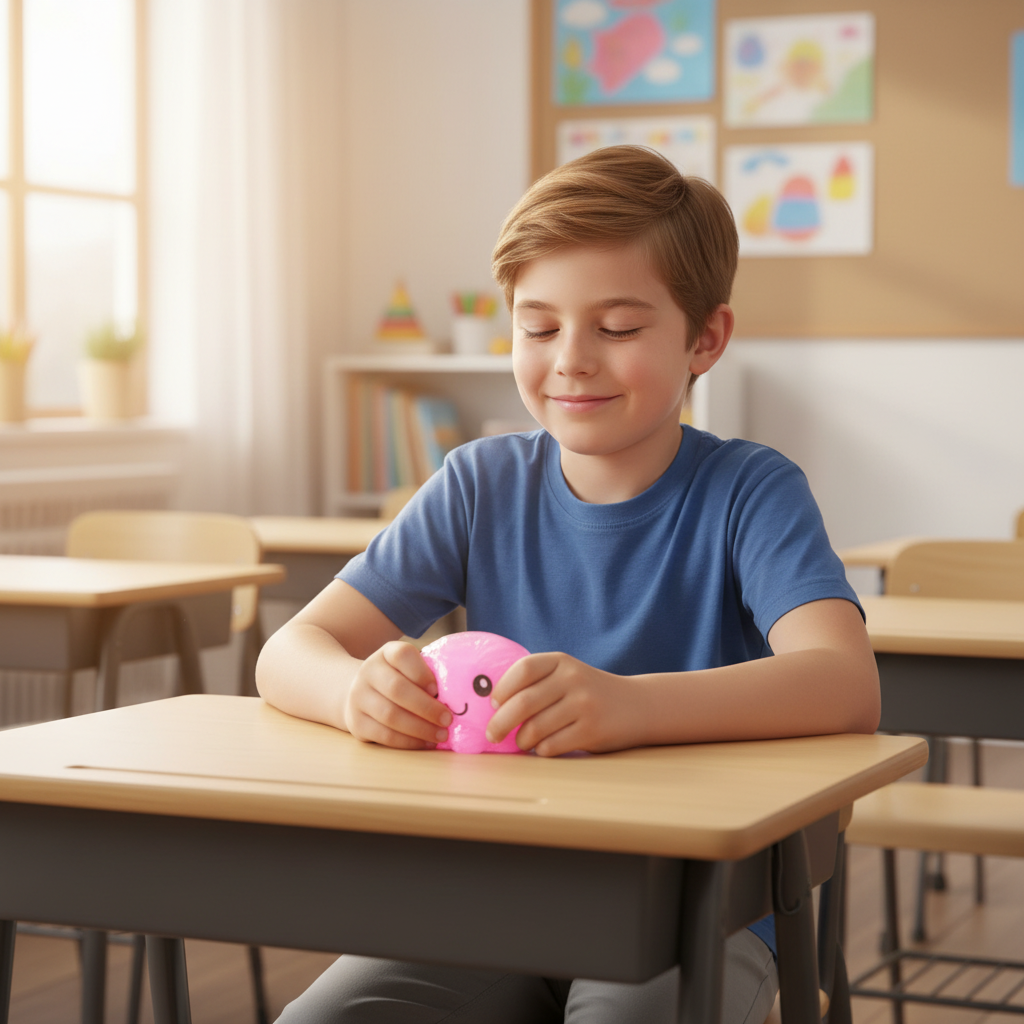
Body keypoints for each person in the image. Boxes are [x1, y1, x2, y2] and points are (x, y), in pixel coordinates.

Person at [257, 145, 880, 1024]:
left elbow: (846, 683)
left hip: (702, 904)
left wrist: (629, 707)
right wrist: (353, 691)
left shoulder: (751, 490)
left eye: (618, 329)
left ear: (707, 338)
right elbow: (289, 649)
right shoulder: (478, 485)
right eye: (538, 327)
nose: (571, 361)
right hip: (497, 891)